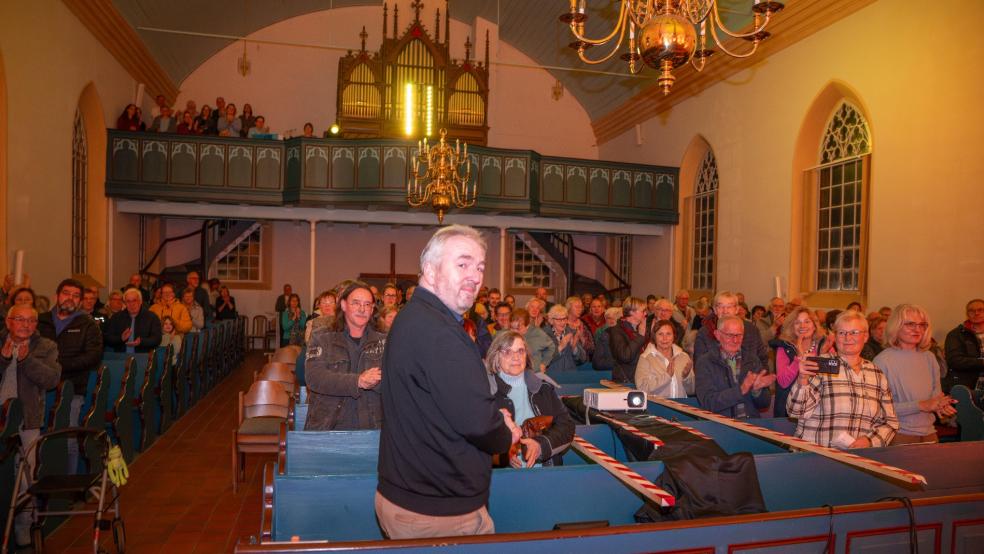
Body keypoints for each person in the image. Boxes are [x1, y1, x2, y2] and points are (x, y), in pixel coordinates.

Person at [376, 225, 520, 539]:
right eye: (463, 264)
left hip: (413, 492)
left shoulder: (412, 316)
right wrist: (505, 432)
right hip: (436, 510)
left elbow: (444, 403)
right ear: (430, 269)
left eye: (480, 267)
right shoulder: (441, 333)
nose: (475, 275)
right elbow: (478, 424)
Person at [787, 311, 898, 448]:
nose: (847, 337)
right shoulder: (820, 366)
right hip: (816, 457)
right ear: (835, 337)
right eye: (841, 333)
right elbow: (796, 412)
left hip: (858, 460)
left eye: (854, 332)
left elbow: (890, 422)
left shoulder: (876, 374)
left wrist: (870, 441)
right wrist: (802, 379)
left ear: (866, 336)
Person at [1, 304, 61, 546]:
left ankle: (23, 529)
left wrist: (26, 361)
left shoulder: (46, 346)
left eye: (31, 321)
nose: (25, 325)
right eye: (20, 319)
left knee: (25, 478)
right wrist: (4, 360)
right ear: (8, 322)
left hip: (28, 419)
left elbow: (51, 379)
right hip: (1, 420)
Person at [305, 282, 386, 430]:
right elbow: (314, 377)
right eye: (356, 303)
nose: (362, 309)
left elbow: (395, 380)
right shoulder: (321, 337)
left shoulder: (385, 341)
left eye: (367, 304)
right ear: (343, 305)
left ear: (372, 309)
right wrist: (358, 381)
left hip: (374, 428)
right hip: (329, 426)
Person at [489, 330, 575, 468]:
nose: (516, 357)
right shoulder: (487, 393)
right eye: (508, 352)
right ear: (496, 357)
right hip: (503, 477)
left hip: (546, 471)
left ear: (526, 356)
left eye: (520, 351)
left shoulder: (543, 388)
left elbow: (567, 427)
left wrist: (541, 445)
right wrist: (503, 455)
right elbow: (477, 437)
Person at [874, 305, 956, 445]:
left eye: (922, 325)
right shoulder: (882, 361)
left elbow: (935, 397)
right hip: (898, 435)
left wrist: (940, 404)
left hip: (930, 433)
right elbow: (878, 409)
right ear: (896, 326)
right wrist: (921, 405)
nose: (917, 329)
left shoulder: (929, 357)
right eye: (910, 324)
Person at [37, 278, 103, 419]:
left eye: (75, 296)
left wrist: (59, 366)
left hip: (72, 387)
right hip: (38, 385)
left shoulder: (88, 325)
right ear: (57, 296)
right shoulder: (40, 320)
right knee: (32, 432)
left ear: (80, 301)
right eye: (66, 293)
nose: (70, 298)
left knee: (67, 433)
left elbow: (93, 356)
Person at [695, 315, 774, 418]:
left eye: (739, 335)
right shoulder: (705, 362)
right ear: (717, 335)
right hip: (720, 427)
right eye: (729, 335)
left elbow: (764, 404)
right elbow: (708, 403)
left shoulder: (752, 360)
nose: (735, 340)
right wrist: (740, 390)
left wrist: (757, 391)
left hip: (750, 426)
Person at [771, 307, 833, 418]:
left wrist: (823, 355)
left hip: (819, 412)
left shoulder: (824, 346)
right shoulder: (784, 348)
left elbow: (833, 378)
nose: (802, 326)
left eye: (807, 321)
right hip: (789, 413)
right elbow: (783, 383)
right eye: (797, 323)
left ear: (814, 326)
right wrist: (799, 357)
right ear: (791, 327)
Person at [694, 291, 770, 369]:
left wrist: (761, 378)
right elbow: (700, 365)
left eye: (729, 306)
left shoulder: (751, 329)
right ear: (715, 310)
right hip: (716, 379)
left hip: (750, 377)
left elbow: (762, 358)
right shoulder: (705, 332)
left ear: (737, 309)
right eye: (720, 307)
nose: (725, 311)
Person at [635, 319, 694, 398]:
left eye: (668, 334)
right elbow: (642, 388)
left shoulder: (684, 357)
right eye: (660, 334)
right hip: (657, 407)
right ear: (654, 337)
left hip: (680, 407)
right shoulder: (645, 358)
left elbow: (692, 390)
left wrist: (686, 377)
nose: (665, 338)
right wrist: (666, 376)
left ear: (674, 336)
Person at [104, 288, 162, 354]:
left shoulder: (152, 317)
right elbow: (107, 338)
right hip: (120, 357)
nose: (131, 304)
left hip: (143, 357)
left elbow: (157, 339)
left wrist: (142, 341)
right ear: (125, 303)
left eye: (134, 300)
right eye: (128, 301)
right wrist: (120, 338)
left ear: (140, 301)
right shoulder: (116, 317)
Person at [944, 298, 984, 391]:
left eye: (980, 310)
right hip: (968, 388)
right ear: (967, 314)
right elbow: (954, 361)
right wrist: (982, 362)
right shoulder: (956, 335)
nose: (976, 313)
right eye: (972, 311)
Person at [608, 297, 648, 383]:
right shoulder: (616, 331)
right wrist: (640, 336)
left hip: (642, 378)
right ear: (631, 312)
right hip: (626, 381)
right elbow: (625, 356)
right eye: (643, 311)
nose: (645, 313)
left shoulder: (641, 328)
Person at [509, 308, 555, 373]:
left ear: (527, 326)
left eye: (518, 328)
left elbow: (551, 347)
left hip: (534, 373)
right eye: (511, 327)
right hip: (514, 373)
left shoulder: (538, 333)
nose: (514, 331)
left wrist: (544, 364)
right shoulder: (506, 335)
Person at [544, 305, 586, 373]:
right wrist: (560, 347)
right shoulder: (544, 335)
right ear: (551, 320)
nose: (563, 322)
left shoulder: (571, 332)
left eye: (564, 319)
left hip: (570, 375)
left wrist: (574, 347)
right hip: (552, 376)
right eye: (559, 320)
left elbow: (583, 359)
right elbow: (544, 360)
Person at [591, 307, 622, 372]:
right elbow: (597, 359)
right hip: (605, 367)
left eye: (614, 318)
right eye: (609, 318)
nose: (612, 320)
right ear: (605, 319)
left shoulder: (623, 332)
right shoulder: (601, 332)